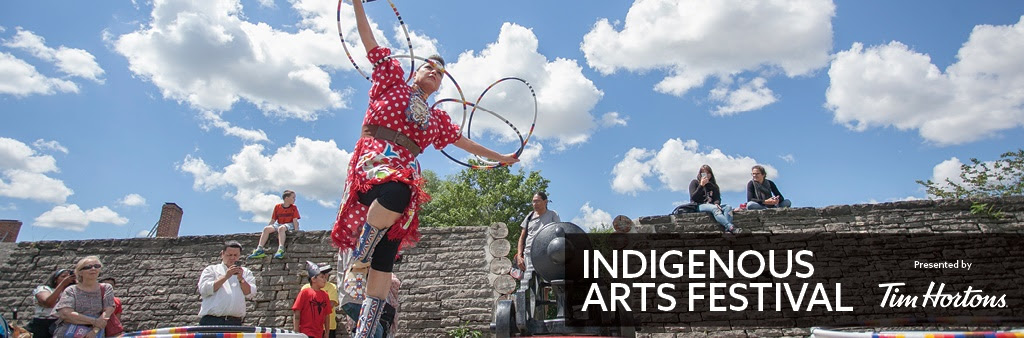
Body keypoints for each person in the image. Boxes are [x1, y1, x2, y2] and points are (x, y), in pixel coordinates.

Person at [332, 2, 519, 337]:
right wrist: (358, 3)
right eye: (429, 67)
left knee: (387, 255)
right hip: (375, 161)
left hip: (404, 174)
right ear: (415, 70)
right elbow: (368, 39)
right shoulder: (391, 80)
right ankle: (359, 258)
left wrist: (502, 157)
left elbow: (466, 144)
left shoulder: (435, 118)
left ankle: (367, 330)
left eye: (440, 73)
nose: (434, 72)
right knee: (398, 189)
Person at [52, 256, 115, 338]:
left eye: (96, 266)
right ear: (80, 272)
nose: (93, 268)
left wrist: (94, 331)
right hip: (68, 333)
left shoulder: (106, 288)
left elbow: (107, 312)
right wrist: (94, 321)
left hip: (95, 334)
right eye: (88, 267)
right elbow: (66, 314)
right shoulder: (71, 290)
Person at [197, 241, 256, 326]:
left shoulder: (246, 272)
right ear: (222, 254)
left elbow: (250, 293)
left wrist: (241, 279)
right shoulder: (211, 270)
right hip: (212, 320)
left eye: (235, 255)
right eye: (229, 255)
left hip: (234, 322)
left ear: (239, 256)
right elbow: (204, 290)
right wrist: (226, 276)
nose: (232, 258)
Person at [513, 192, 560, 288]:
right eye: (533, 202)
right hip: (529, 254)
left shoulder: (552, 215)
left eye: (537, 201)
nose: (535, 204)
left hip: (546, 253)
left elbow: (558, 233)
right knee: (526, 284)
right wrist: (519, 256)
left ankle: (547, 303)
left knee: (548, 283)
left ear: (545, 202)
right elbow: (522, 237)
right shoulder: (529, 217)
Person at [688, 164, 740, 233]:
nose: (706, 175)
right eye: (704, 173)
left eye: (708, 173)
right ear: (700, 174)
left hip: (712, 204)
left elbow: (717, 198)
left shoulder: (713, 186)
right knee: (714, 208)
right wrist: (701, 185)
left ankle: (727, 231)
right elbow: (693, 197)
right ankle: (730, 227)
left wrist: (716, 203)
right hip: (699, 205)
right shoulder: (695, 182)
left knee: (728, 207)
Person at [251, 190, 301, 259]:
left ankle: (281, 249)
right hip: (279, 224)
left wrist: (296, 231)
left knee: (281, 229)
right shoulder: (277, 207)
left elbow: (295, 220)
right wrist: (269, 227)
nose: (294, 199)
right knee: (266, 229)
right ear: (286, 198)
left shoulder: (293, 207)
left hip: (289, 224)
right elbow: (273, 220)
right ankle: (259, 249)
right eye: (293, 197)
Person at [26, 268, 74, 338]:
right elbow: (48, 303)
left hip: (61, 323)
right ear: (55, 279)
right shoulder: (44, 289)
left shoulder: (71, 292)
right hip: (43, 323)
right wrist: (62, 284)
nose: (66, 279)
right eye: (63, 276)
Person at [293, 262, 332, 338]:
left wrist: (327, 332)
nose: (325, 280)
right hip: (305, 333)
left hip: (319, 333)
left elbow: (327, 315)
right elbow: (297, 312)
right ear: (313, 279)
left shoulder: (325, 295)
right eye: (322, 277)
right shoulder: (305, 292)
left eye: (325, 277)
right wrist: (296, 330)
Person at [301, 273, 338, 338]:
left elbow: (330, 305)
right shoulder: (305, 289)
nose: (325, 276)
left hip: (329, 326)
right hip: (309, 328)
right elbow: (300, 309)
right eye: (322, 275)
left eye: (326, 274)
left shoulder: (331, 287)